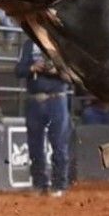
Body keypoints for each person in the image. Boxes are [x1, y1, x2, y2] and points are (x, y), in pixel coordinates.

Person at [16, 38, 71, 197]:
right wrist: (32, 67)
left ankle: (59, 184)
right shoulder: (28, 44)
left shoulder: (60, 43)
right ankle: (40, 184)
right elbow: (18, 69)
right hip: (36, 99)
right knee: (35, 146)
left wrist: (57, 70)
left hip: (56, 98)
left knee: (59, 144)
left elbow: (72, 74)